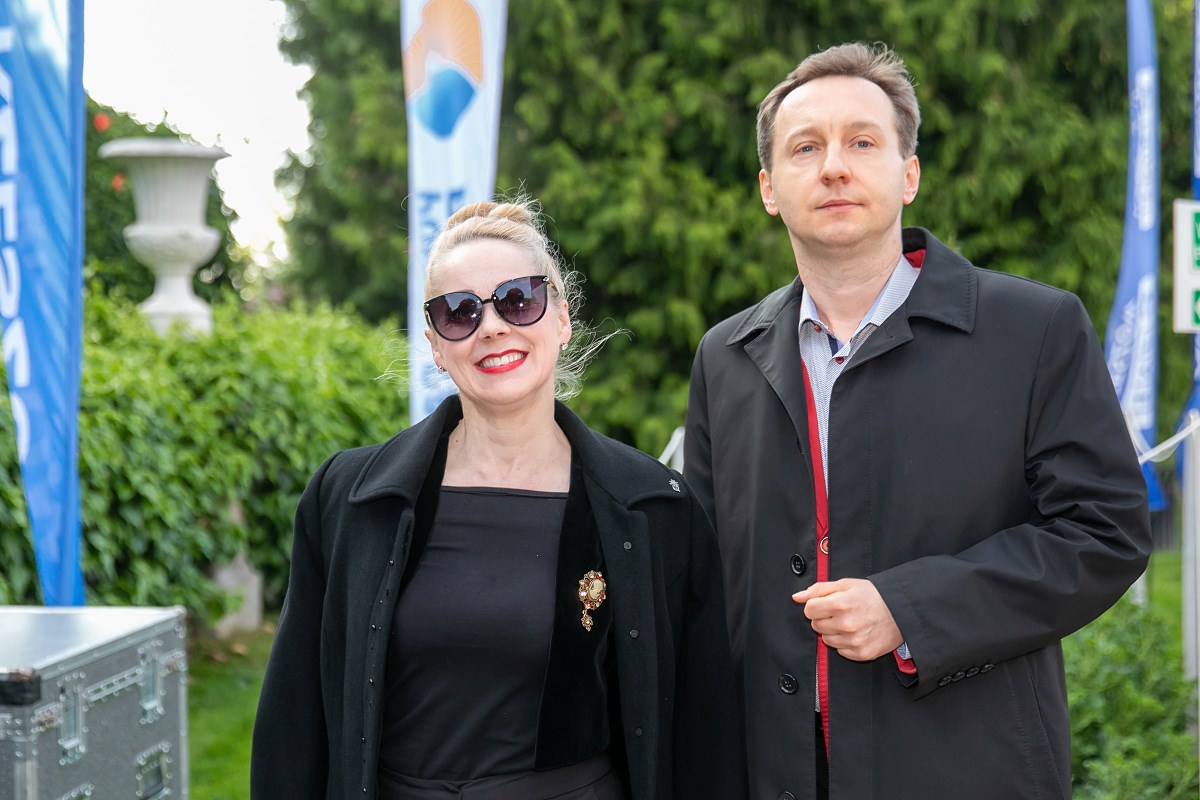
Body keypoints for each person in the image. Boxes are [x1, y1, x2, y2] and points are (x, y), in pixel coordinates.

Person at [683, 42, 1151, 800]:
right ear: (769, 188)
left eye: (862, 142)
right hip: (775, 774)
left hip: (968, 768)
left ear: (909, 174)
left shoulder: (1033, 330)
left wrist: (910, 610)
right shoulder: (724, 357)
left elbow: (1106, 531)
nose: (835, 167)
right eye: (806, 148)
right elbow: (703, 578)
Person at [251, 199, 747, 800]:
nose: (490, 327)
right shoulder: (349, 500)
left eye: (518, 299)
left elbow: (702, 735)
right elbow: (293, 725)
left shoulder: (652, 509)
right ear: (436, 346)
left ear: (561, 319)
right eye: (458, 312)